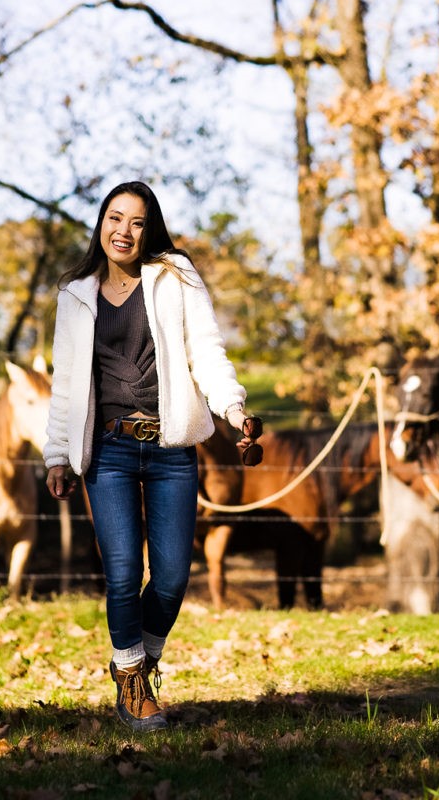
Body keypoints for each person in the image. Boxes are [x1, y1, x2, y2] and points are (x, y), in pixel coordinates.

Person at [43, 180, 261, 732]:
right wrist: (57, 457)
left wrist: (234, 410)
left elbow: (206, 351)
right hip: (109, 450)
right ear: (101, 224)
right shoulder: (74, 294)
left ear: (149, 229)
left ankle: (139, 662)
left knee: (170, 577)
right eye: (115, 218)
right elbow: (65, 386)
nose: (124, 231)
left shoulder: (176, 276)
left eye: (137, 222)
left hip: (170, 447)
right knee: (121, 574)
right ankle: (134, 681)